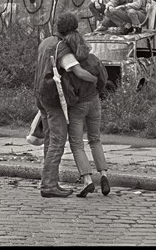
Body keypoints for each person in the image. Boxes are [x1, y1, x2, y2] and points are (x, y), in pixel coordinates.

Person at [34, 13, 98, 198]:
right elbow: (78, 72)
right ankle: (48, 185)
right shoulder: (62, 48)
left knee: (49, 139)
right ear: (74, 29)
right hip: (53, 98)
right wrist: (96, 79)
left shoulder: (46, 42)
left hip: (41, 94)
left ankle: (50, 181)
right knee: (57, 141)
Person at [63, 30, 111, 198]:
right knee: (95, 139)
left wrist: (73, 101)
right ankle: (104, 175)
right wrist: (98, 90)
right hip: (94, 101)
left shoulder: (71, 64)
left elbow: (67, 89)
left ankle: (87, 180)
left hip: (78, 105)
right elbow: (104, 78)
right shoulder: (93, 59)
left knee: (76, 144)